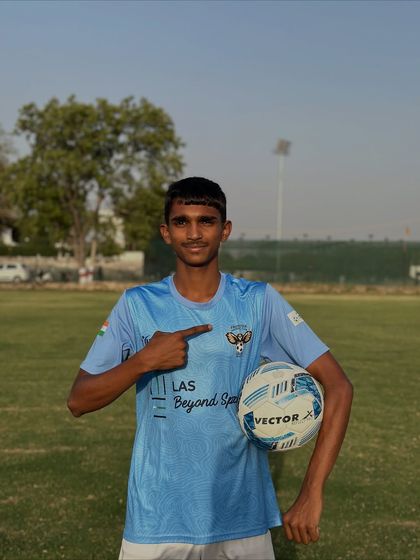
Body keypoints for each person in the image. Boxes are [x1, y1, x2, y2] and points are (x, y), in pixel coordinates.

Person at [67, 177, 353, 560]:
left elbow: (338, 386)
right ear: (166, 233)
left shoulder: (258, 301)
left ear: (225, 230)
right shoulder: (136, 305)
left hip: (242, 519)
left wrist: (311, 491)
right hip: (157, 521)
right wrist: (143, 361)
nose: (195, 233)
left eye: (207, 220)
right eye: (182, 222)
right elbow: (78, 400)